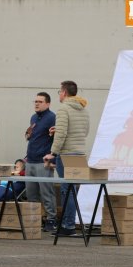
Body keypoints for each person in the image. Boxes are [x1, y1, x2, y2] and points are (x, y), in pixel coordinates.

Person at [43, 80, 89, 236]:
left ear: (64, 92)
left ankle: (67, 226)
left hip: (67, 154)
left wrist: (53, 153)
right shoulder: (83, 109)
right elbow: (84, 131)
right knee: (73, 190)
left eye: (59, 92)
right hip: (80, 154)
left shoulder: (63, 109)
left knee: (66, 190)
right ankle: (69, 223)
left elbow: (62, 135)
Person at [24, 92, 58, 232]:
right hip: (30, 160)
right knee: (31, 193)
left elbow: (56, 138)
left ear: (48, 103)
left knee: (46, 192)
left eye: (40, 101)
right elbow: (33, 137)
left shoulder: (52, 118)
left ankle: (51, 219)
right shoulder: (33, 117)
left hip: (43, 161)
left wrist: (53, 157)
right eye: (35, 101)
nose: (36, 104)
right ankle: (35, 219)